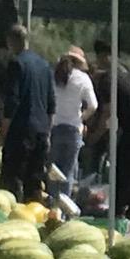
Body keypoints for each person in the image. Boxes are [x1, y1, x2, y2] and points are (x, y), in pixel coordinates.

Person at [87, 44, 130, 217]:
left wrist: (95, 136)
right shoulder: (122, 75)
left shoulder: (109, 80)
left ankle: (118, 208)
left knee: (123, 167)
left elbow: (107, 113)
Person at [0, 24, 54, 202]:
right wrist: (47, 132)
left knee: (13, 179)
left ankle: (13, 217)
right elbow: (51, 103)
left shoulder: (17, 63)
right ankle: (33, 216)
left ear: (11, 41)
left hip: (21, 130)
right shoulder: (45, 65)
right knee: (35, 180)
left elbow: (12, 101)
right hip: (41, 130)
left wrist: (4, 131)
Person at [51, 46, 97, 196]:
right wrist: (81, 118)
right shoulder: (83, 79)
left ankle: (52, 206)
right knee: (68, 172)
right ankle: (64, 210)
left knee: (54, 171)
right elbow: (93, 105)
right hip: (73, 129)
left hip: (55, 127)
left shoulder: (55, 76)